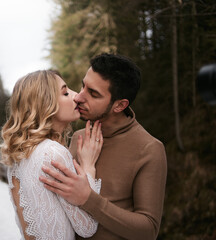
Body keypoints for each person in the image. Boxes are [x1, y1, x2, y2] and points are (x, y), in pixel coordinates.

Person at [39, 53, 167, 240]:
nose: (79, 97)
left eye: (93, 93)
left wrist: (88, 199)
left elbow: (148, 230)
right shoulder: (77, 137)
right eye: (83, 86)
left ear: (119, 105)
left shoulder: (149, 149)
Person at [0, 70, 104, 240]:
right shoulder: (53, 153)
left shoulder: (19, 157)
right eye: (65, 93)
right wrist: (88, 167)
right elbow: (87, 227)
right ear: (45, 105)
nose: (76, 96)